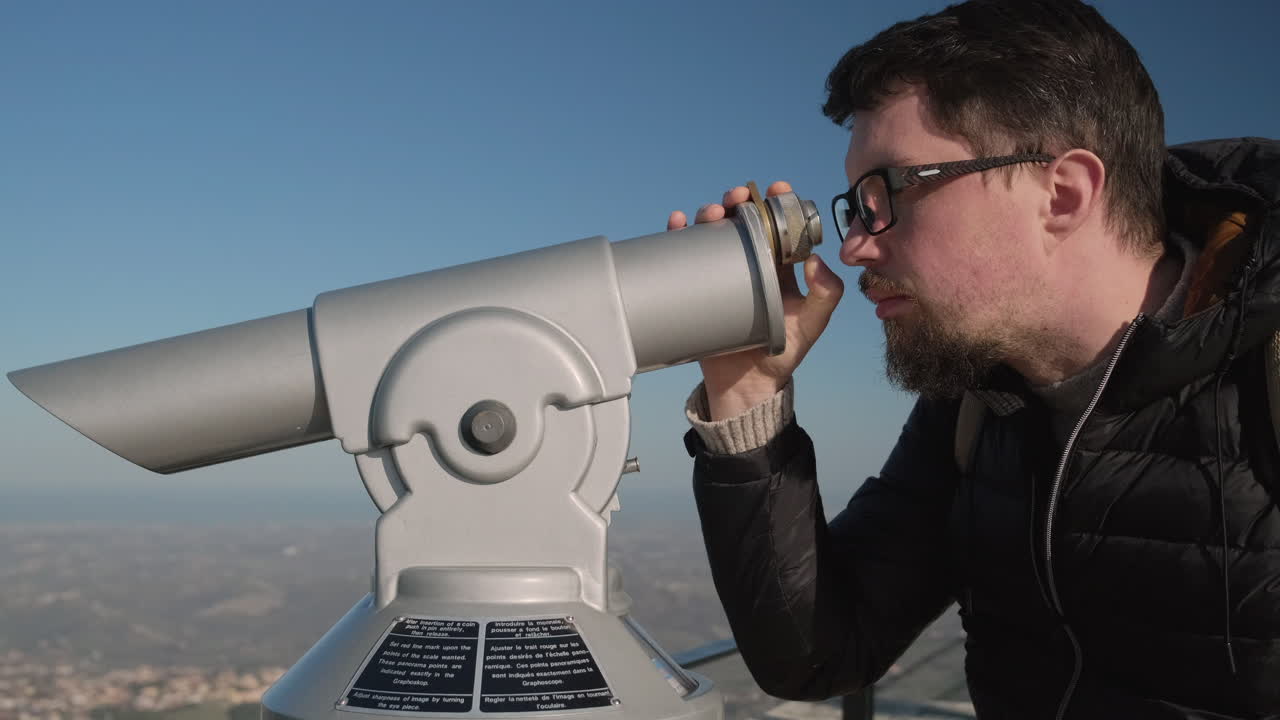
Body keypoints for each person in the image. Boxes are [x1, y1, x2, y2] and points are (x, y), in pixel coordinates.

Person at [668, 1, 1280, 718]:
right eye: (855, 204)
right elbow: (823, 652)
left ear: (1062, 194)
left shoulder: (1263, 373)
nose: (854, 245)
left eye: (887, 192)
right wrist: (746, 394)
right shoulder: (978, 405)